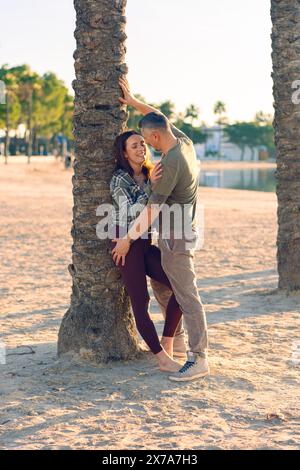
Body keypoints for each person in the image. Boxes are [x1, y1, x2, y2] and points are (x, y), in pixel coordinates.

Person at [112, 77, 209, 382]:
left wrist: (126, 239)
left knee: (186, 294)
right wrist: (134, 102)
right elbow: (159, 116)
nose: (144, 145)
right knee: (166, 288)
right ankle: (173, 341)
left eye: (145, 139)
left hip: (175, 237)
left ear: (154, 138)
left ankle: (199, 358)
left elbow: (151, 209)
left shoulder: (167, 168)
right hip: (174, 235)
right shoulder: (184, 144)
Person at [110, 129, 184, 372]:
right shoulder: (119, 179)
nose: (141, 148)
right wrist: (150, 188)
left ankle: (167, 341)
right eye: (134, 146)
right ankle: (162, 359)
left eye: (142, 144)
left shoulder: (153, 174)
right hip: (124, 245)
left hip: (145, 243)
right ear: (124, 153)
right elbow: (130, 211)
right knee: (140, 301)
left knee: (181, 288)